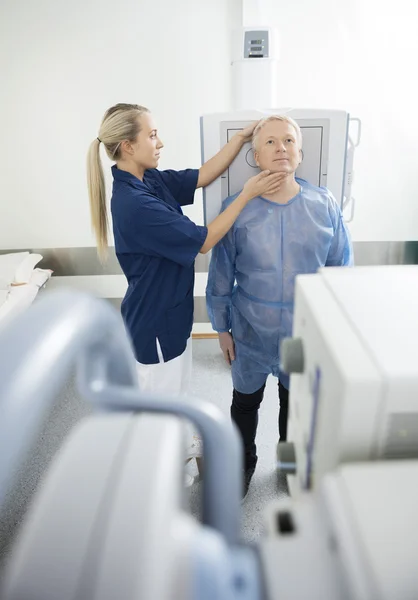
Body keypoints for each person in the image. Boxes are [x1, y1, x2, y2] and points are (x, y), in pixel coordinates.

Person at [86, 103, 284, 482]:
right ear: (128, 145)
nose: (160, 141)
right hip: (154, 324)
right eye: (152, 134)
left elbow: (203, 175)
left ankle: (179, 449)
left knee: (175, 397)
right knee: (160, 409)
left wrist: (240, 138)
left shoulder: (148, 179)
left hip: (171, 314)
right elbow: (206, 240)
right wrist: (248, 193)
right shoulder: (134, 204)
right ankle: (161, 479)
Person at [206, 115, 354, 497]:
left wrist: (336, 329)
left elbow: (341, 272)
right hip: (250, 329)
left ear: (300, 153)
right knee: (245, 403)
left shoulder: (324, 206)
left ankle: (289, 469)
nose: (280, 148)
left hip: (303, 332)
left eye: (288, 141)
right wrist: (221, 327)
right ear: (255, 156)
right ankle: (241, 465)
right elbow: (221, 274)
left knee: (295, 406)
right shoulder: (236, 209)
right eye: (270, 142)